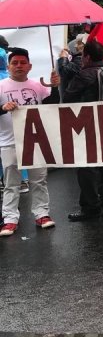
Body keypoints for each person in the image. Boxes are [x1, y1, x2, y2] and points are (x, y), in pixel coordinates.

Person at [62, 40, 103, 221]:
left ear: (87, 57)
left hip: (88, 125)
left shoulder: (86, 74)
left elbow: (67, 97)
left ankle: (91, 207)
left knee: (85, 167)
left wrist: (64, 69)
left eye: (83, 56)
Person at [0, 48, 60, 236]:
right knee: (11, 181)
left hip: (35, 140)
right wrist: (3, 107)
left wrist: (56, 87)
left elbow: (53, 106)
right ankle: (9, 219)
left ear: (29, 66)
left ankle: (42, 214)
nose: (19, 66)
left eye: (22, 62)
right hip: (9, 141)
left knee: (38, 179)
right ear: (8, 66)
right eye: (15, 63)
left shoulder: (38, 86)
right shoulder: (0, 86)